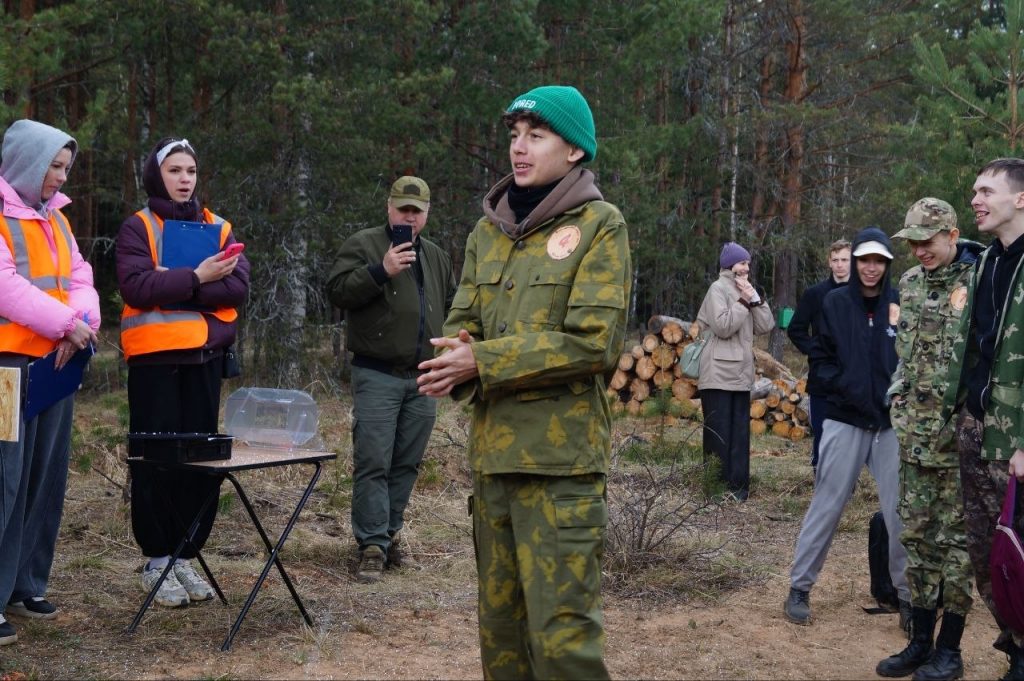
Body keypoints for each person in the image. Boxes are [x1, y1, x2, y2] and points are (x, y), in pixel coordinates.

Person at [416, 85, 630, 680]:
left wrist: (483, 361)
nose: (519, 147)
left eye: (536, 136)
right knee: (502, 640)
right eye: (514, 136)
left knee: (562, 645)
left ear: (574, 150)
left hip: (560, 469)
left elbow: (593, 342)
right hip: (494, 464)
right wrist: (457, 357)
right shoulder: (486, 234)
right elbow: (462, 325)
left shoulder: (600, 226)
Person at [116, 137, 249, 608]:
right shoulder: (138, 227)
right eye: (174, 170)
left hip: (205, 360)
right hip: (154, 363)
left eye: (190, 170)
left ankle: (186, 556)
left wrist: (176, 285)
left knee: (202, 461)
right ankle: (157, 560)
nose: (184, 179)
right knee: (156, 460)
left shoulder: (219, 226)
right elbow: (136, 285)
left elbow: (236, 288)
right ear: (157, 176)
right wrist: (197, 278)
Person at [326, 175, 455, 583]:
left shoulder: (436, 256)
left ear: (427, 214)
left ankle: (388, 535)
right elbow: (337, 292)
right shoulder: (364, 244)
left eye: (417, 211)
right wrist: (379, 271)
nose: (409, 218)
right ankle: (371, 545)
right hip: (377, 373)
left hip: (424, 376)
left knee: (406, 463)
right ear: (389, 208)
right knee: (373, 461)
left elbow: (451, 305)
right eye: (403, 210)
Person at [0, 120, 100, 645]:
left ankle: (25, 585)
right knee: (5, 478)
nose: (60, 177)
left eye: (65, 168)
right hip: (7, 368)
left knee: (45, 476)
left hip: (57, 364)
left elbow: (81, 277)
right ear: (26, 161)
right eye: (53, 166)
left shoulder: (56, 218)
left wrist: (81, 326)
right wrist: (67, 324)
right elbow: (5, 287)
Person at [783, 226, 911, 626]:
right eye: (864, 260)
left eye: (879, 261)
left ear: (887, 264)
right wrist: (844, 386)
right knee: (827, 504)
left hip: (889, 424)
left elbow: (911, 359)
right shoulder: (834, 303)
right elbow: (820, 358)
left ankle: (909, 598)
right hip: (845, 418)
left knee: (899, 511)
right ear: (854, 262)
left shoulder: (900, 303)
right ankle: (800, 587)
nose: (871, 268)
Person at [875, 198, 980, 680]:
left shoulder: (979, 280)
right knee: (916, 539)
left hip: (957, 441)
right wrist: (897, 395)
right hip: (914, 438)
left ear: (952, 235)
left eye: (928, 241)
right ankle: (918, 642)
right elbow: (908, 354)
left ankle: (949, 650)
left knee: (956, 545)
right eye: (913, 242)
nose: (919, 250)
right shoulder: (912, 282)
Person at [942, 158, 1024, 680]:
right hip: (976, 427)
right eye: (974, 190)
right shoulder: (985, 263)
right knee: (989, 555)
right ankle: (1016, 648)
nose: (975, 199)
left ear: (1020, 199)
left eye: (987, 191)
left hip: (1017, 439)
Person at [695, 241, 773, 501]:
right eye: (742, 262)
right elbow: (723, 326)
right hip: (717, 374)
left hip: (740, 373)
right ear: (729, 265)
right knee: (718, 435)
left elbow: (766, 325)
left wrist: (756, 299)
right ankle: (714, 489)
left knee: (739, 435)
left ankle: (738, 489)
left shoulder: (746, 290)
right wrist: (743, 302)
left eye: (748, 263)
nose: (746, 267)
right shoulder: (717, 289)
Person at [787, 239, 851, 474]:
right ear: (829, 262)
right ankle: (822, 478)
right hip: (822, 377)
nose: (840, 265)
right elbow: (796, 329)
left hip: (853, 376)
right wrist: (815, 350)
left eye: (844, 260)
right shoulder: (815, 294)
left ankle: (847, 480)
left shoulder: (863, 294)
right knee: (823, 431)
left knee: (849, 433)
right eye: (835, 260)